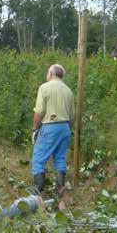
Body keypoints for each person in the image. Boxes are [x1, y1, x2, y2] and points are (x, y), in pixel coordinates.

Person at [31, 64, 75, 197]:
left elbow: (39, 112)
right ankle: (60, 191)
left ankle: (38, 191)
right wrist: (68, 129)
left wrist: (35, 129)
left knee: (39, 158)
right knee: (60, 158)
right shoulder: (68, 91)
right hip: (65, 128)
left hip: (50, 126)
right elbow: (72, 116)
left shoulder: (44, 88)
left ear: (50, 73)